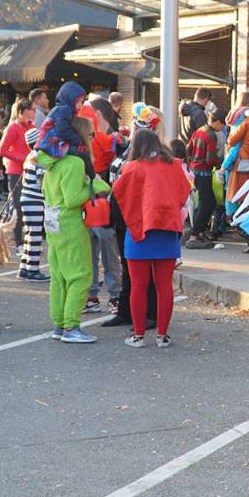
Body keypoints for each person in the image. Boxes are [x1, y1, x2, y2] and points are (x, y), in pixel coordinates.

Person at [111, 128, 191, 349]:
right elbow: (184, 193)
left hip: (139, 231)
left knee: (138, 285)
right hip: (167, 230)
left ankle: (138, 336)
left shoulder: (132, 168)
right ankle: (162, 335)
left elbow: (118, 193)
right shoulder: (174, 166)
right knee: (164, 285)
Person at [39, 116, 110, 343]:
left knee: (59, 277)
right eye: (90, 134)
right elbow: (72, 199)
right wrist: (97, 185)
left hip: (52, 224)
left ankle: (60, 324)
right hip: (70, 224)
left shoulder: (54, 161)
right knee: (80, 276)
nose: (93, 138)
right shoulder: (75, 163)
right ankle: (71, 326)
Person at [102, 135, 159, 330]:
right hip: (122, 218)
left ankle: (150, 314)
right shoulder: (125, 158)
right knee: (128, 268)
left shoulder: (145, 165)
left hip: (137, 219)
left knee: (145, 270)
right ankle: (126, 312)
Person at [80, 102, 122, 315]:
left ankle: (100, 296)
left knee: (98, 249)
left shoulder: (88, 142)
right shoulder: (104, 140)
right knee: (104, 249)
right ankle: (110, 296)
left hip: (94, 201)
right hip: (97, 200)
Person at [186, 108, 225, 249]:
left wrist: (191, 162)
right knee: (207, 203)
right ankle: (195, 234)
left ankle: (200, 232)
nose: (222, 128)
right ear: (218, 122)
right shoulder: (210, 135)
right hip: (204, 172)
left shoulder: (199, 130)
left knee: (205, 202)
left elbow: (188, 148)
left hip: (195, 170)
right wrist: (221, 161)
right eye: (222, 124)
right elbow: (210, 159)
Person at [0, 99, 35, 251]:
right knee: (18, 207)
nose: (34, 111)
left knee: (30, 207)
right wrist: (21, 158)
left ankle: (27, 241)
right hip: (15, 172)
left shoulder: (32, 126)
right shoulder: (13, 127)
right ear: (24, 110)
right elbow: (2, 149)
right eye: (32, 109)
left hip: (30, 171)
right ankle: (18, 243)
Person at [17, 126, 50, 282]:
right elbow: (40, 180)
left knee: (30, 234)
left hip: (27, 198)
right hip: (34, 199)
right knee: (35, 235)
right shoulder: (39, 157)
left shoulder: (30, 155)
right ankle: (33, 269)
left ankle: (25, 267)